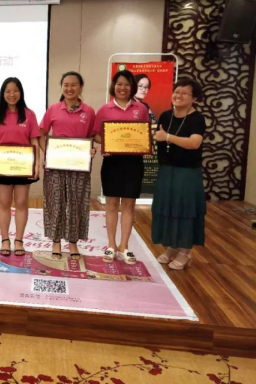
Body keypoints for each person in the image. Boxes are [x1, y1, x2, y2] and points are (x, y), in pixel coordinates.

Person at [94, 70, 149, 264]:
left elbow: (145, 134)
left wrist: (142, 145)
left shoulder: (140, 109)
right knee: (111, 204)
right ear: (114, 86)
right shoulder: (104, 109)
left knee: (128, 204)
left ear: (131, 87)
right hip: (112, 162)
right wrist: (106, 144)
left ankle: (124, 246)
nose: (122, 88)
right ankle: (111, 245)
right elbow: (96, 134)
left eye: (126, 84)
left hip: (133, 162)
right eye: (119, 84)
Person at [39, 72, 96, 260]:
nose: (69, 88)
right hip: (55, 166)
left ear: (80, 87)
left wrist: (92, 150)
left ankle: (73, 242)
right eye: (66, 85)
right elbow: (41, 133)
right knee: (55, 203)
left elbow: (92, 136)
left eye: (73, 85)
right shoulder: (53, 109)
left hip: (79, 167)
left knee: (76, 203)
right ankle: (55, 241)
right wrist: (47, 152)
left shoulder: (89, 111)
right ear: (61, 86)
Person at [152, 78, 206, 270]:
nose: (179, 95)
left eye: (184, 93)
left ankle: (185, 251)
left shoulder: (197, 118)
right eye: (176, 91)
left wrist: (167, 137)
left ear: (194, 98)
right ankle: (172, 247)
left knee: (185, 211)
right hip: (167, 169)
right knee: (168, 209)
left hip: (187, 172)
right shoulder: (166, 116)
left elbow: (194, 143)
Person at [0, 78, 41, 257]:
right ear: (3, 93)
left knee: (21, 202)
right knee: (3, 202)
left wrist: (36, 165)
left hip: (23, 166)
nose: (12, 94)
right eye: (8, 91)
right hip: (2, 166)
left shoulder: (29, 115)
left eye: (15, 91)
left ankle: (19, 240)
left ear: (21, 93)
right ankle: (5, 239)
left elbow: (34, 141)